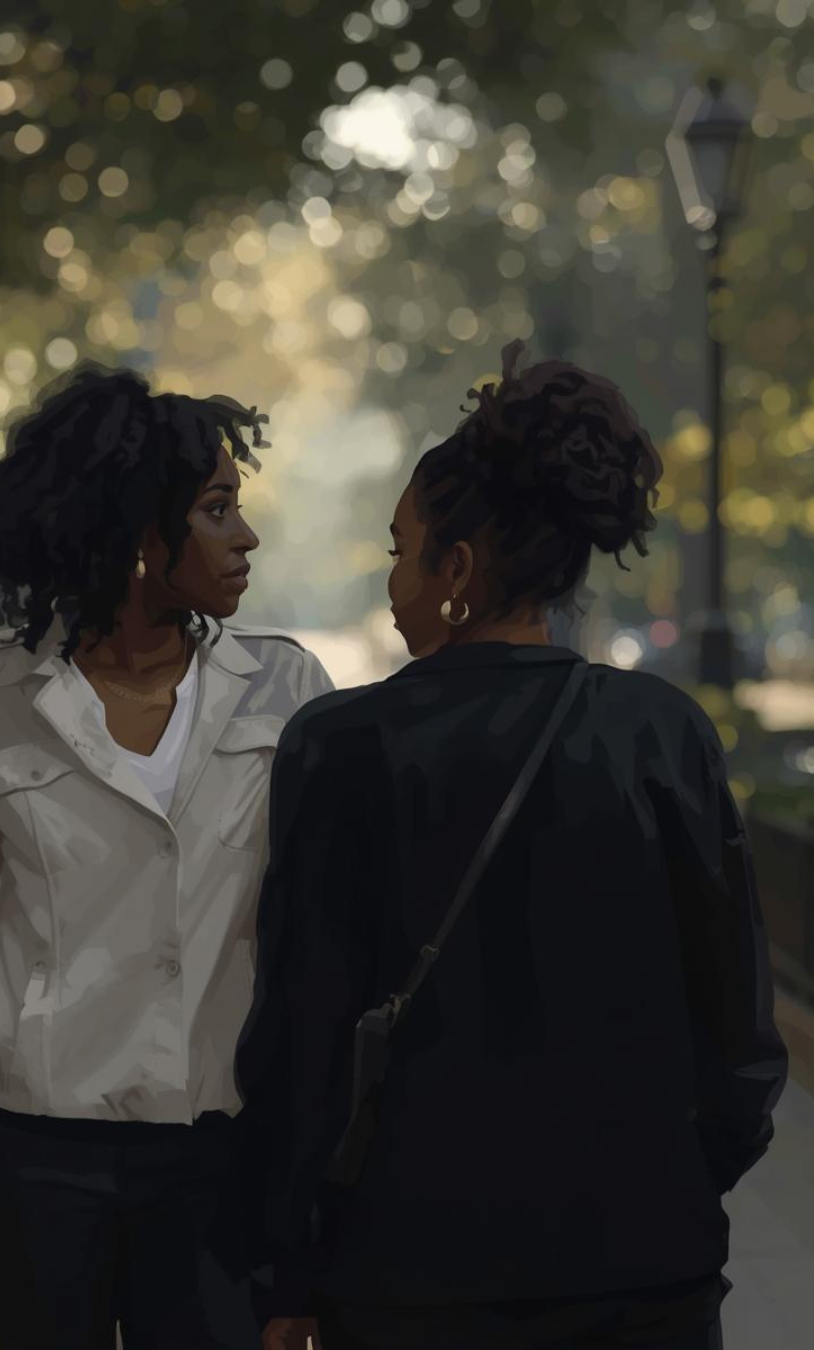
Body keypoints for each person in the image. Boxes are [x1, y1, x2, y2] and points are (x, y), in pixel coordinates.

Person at [227, 339, 788, 1350]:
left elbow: (299, 1035)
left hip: (408, 1276)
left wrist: (285, 1267)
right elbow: (738, 1029)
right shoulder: (659, 735)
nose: (392, 578)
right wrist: (678, 1176)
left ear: (458, 569)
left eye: (401, 549)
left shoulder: (342, 747)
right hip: (642, 1270)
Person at [0, 361, 334, 1350]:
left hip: (220, 1164)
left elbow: (320, 963)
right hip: (30, 1161)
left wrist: (308, 1232)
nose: (246, 535)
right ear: (140, 532)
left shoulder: (287, 690)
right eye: (218, 508)